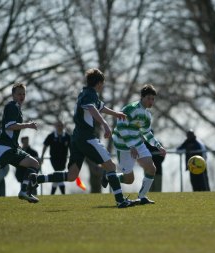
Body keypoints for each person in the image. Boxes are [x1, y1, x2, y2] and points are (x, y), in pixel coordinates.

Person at [26, 68, 135, 208]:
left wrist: (117, 114)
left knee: (72, 176)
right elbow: (92, 109)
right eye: (103, 84)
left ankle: (36, 179)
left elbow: (100, 107)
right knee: (111, 166)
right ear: (99, 83)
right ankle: (120, 201)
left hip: (76, 138)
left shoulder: (86, 93)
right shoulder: (90, 95)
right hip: (86, 137)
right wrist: (105, 124)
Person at [104, 84, 167, 204]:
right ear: (142, 97)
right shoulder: (130, 108)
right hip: (123, 145)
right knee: (129, 180)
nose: (151, 101)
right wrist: (131, 146)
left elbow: (147, 133)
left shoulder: (147, 115)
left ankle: (142, 197)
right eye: (149, 98)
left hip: (137, 144)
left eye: (153, 99)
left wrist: (159, 146)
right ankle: (110, 177)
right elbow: (121, 128)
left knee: (151, 168)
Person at [40, 121, 71, 194]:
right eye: (58, 125)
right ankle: (63, 193)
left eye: (61, 125)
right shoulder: (51, 136)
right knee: (58, 173)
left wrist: (73, 156)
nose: (60, 127)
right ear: (55, 126)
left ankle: (52, 194)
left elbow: (71, 147)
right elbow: (45, 145)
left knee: (58, 175)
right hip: (54, 158)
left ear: (63, 126)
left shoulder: (67, 136)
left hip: (63, 158)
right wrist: (42, 156)